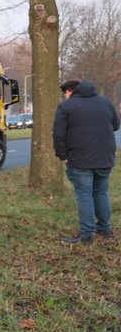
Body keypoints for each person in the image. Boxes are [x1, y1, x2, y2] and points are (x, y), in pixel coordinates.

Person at [53, 79, 120, 243]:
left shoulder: (66, 107)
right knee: (101, 193)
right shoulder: (105, 101)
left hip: (79, 158)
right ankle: (105, 230)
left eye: (66, 94)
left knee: (84, 196)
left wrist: (62, 155)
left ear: (69, 91)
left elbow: (58, 134)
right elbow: (116, 125)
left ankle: (86, 235)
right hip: (105, 157)